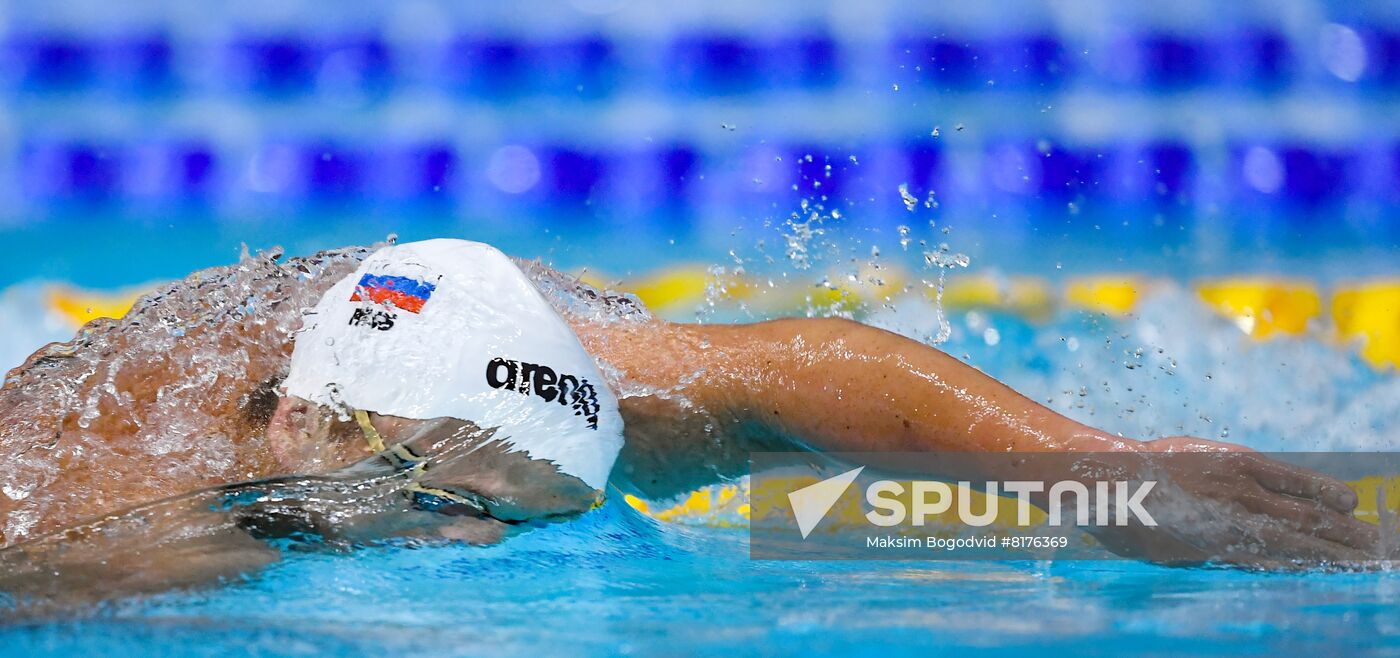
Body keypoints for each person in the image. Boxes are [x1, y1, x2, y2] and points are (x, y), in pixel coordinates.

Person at [0, 239, 1379, 604]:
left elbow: (807, 365)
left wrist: (1103, 472)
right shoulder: (78, 492)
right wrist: (286, 526)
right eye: (450, 503)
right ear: (306, 433)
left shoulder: (566, 385)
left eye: (529, 514)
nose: (481, 540)